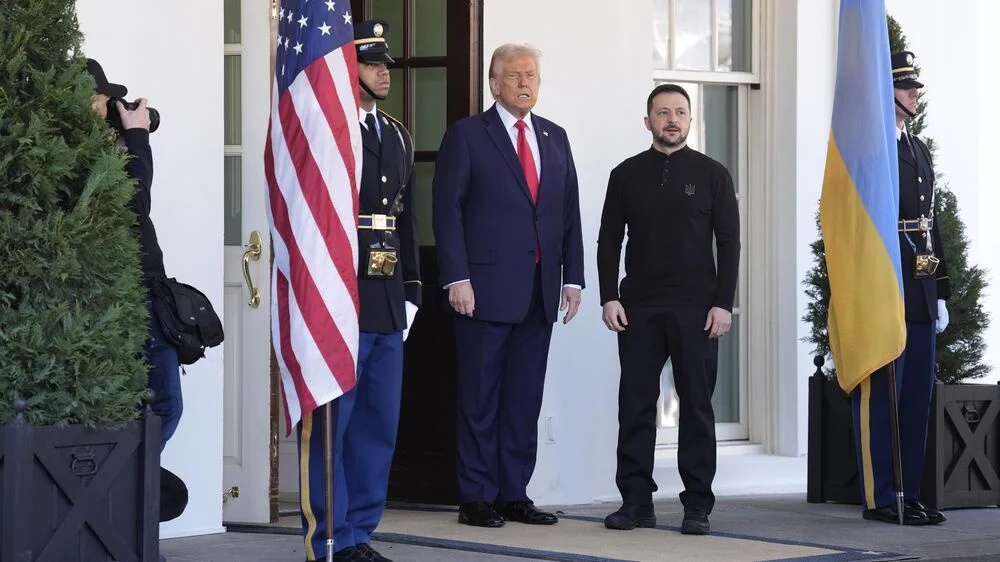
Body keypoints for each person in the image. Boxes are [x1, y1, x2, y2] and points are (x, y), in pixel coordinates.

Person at [432, 43, 585, 528]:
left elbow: (568, 213)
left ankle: (513, 493)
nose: (524, 83)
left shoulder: (555, 137)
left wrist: (573, 278)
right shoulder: (467, 135)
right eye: (515, 75)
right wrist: (457, 277)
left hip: (539, 292)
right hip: (482, 291)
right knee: (480, 399)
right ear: (494, 83)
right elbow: (447, 211)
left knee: (523, 400)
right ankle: (476, 496)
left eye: (531, 75)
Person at [295, 20, 420, 562]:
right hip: (339, 293)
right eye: (372, 65)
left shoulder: (397, 134)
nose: (384, 73)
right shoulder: (329, 128)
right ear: (349, 70)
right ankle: (332, 536)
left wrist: (411, 291)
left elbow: (406, 219)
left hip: (387, 298)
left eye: (385, 65)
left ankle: (361, 534)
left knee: (376, 425)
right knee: (333, 425)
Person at [596, 83, 740, 536]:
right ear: (648, 121)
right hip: (637, 309)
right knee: (635, 406)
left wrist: (722, 304)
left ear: (690, 119)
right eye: (662, 112)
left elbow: (730, 244)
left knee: (696, 408)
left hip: (697, 311)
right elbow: (608, 240)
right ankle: (635, 502)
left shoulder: (714, 174)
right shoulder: (625, 174)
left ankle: (697, 505)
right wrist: (608, 295)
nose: (672, 119)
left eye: (680, 111)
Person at [850, 50, 950, 526]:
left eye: (915, 88)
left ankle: (908, 492)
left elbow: (931, 223)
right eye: (905, 87)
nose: (913, 94)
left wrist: (942, 290)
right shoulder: (870, 150)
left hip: (920, 287)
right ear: (883, 92)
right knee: (883, 398)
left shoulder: (918, 147)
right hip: (885, 283)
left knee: (914, 397)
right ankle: (881, 496)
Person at [87, 58, 182, 453]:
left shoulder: (108, 147)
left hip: (139, 285)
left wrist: (128, 145)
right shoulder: (81, 152)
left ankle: (128, 480)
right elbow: (135, 204)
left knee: (151, 406)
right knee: (163, 404)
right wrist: (139, 137)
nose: (109, 108)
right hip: (125, 289)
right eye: (102, 100)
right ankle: (126, 480)